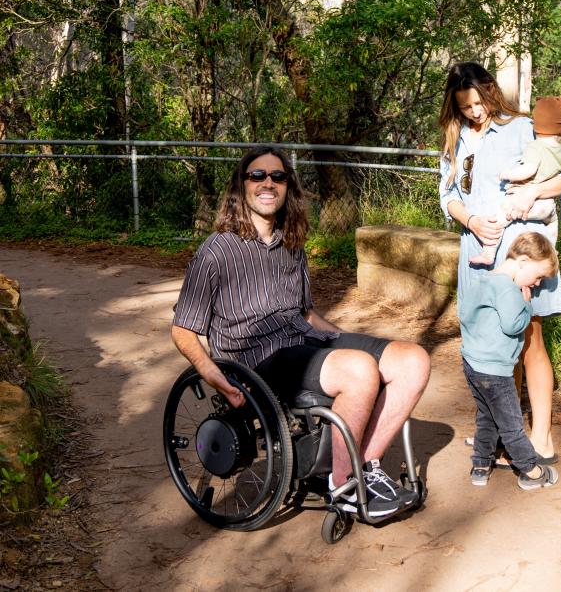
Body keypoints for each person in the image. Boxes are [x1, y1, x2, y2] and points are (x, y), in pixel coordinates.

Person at [171, 146, 431, 518]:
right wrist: (211, 374)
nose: (268, 183)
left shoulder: (290, 243)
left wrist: (344, 340)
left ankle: (365, 467)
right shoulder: (217, 251)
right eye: (257, 175)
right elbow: (182, 329)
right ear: (241, 186)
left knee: (413, 360)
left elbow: (307, 314)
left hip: (302, 342)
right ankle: (343, 487)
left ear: (287, 187)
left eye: (277, 177)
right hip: (255, 359)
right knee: (358, 370)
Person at [439, 61, 561, 462]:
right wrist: (472, 220)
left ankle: (541, 438)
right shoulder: (455, 138)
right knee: (497, 348)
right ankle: (505, 432)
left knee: (530, 342)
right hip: (477, 253)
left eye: (479, 103)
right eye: (465, 107)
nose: (474, 112)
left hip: (520, 252)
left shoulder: (520, 128)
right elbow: (447, 196)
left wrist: (531, 195)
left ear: (490, 93)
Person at [461, 232, 560, 489]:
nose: (537, 283)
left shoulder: (483, 281)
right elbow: (512, 325)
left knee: (486, 417)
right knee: (511, 424)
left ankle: (480, 465)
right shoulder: (507, 287)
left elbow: (465, 314)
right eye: (538, 276)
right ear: (523, 261)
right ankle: (531, 471)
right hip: (496, 370)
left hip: (473, 364)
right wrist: (526, 306)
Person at [469, 94, 561, 265]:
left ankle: (488, 253)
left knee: (498, 220)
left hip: (528, 204)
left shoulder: (535, 147)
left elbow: (528, 170)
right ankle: (551, 250)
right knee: (552, 224)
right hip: (547, 206)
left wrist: (508, 174)